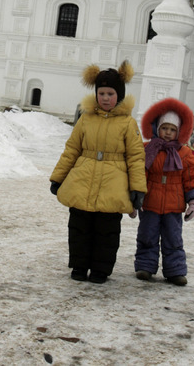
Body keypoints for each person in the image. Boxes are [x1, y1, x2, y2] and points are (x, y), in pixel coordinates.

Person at [49, 60, 146, 284]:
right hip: (83, 182)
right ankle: (79, 265)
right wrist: (58, 177)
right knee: (79, 227)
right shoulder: (86, 119)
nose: (105, 98)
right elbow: (72, 150)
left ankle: (101, 269)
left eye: (110, 93)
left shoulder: (128, 123)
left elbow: (135, 158)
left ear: (119, 95)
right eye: (101, 93)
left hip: (113, 185)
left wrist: (137, 188)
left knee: (107, 231)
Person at [134, 98, 194, 286]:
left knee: (173, 238)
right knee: (147, 236)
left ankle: (175, 270)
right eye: (164, 128)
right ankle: (145, 266)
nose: (167, 133)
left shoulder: (184, 153)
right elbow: (139, 174)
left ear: (179, 131)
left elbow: (191, 178)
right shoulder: (147, 149)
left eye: (172, 130)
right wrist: (134, 197)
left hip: (173, 205)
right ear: (157, 128)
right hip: (150, 203)